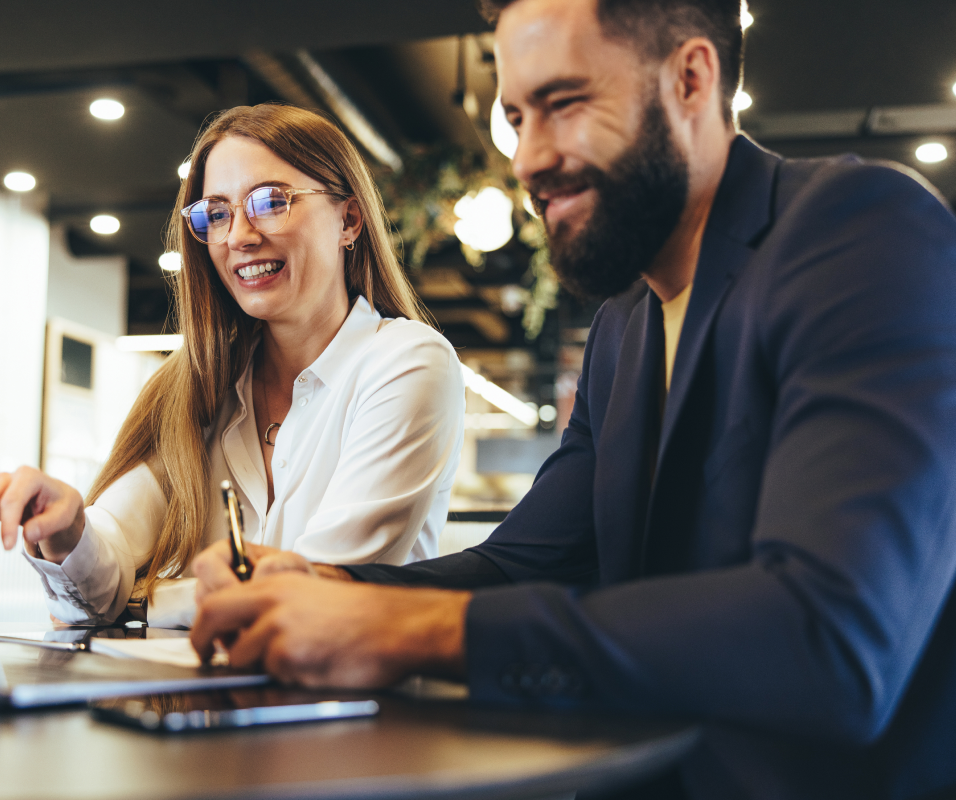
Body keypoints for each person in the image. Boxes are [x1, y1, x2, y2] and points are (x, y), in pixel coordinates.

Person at [189, 1, 956, 798]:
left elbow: (830, 639)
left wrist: (413, 629)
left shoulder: (860, 233)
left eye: (563, 104)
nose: (527, 158)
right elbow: (524, 564)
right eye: (517, 116)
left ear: (690, 79)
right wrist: (331, 587)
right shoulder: (625, 321)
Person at [0, 104, 465, 629]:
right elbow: (105, 566)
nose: (239, 235)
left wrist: (143, 603)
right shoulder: (200, 388)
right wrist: (68, 530)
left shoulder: (408, 362)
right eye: (216, 214)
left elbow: (318, 591)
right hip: (215, 706)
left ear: (348, 219)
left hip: (362, 706)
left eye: (270, 201)